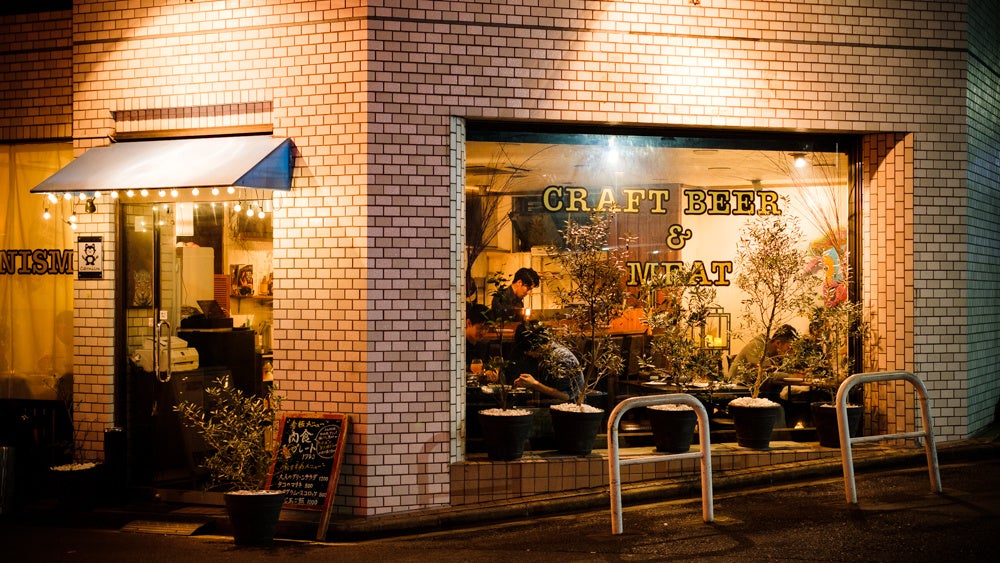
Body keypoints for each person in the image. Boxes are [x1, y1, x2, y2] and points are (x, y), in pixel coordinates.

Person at [509, 320, 583, 403]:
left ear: (540, 344)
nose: (527, 353)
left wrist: (534, 384)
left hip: (569, 407)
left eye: (529, 349)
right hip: (552, 403)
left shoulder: (562, 358)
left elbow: (566, 396)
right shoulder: (545, 354)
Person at [465, 303, 492, 371]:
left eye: (486, 328)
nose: (483, 332)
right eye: (480, 328)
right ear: (469, 323)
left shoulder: (484, 345)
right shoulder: (458, 345)